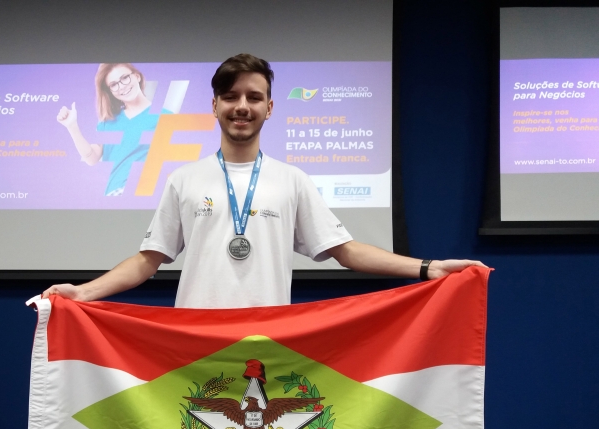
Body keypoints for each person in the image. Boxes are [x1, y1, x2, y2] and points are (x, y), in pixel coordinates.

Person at [44, 54, 486, 308]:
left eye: (254, 97)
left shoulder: (291, 180)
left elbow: (345, 251)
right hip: (194, 341)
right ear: (213, 105)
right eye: (231, 96)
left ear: (270, 108)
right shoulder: (185, 178)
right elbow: (147, 260)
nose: (242, 106)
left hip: (270, 344)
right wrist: (83, 292)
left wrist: (428, 269)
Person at [57, 63, 171, 196]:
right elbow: (92, 158)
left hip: (148, 194)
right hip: (115, 195)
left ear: (137, 76)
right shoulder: (108, 123)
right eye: (113, 84)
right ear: (109, 91)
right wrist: (72, 126)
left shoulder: (165, 117)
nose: (121, 86)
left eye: (124, 78)